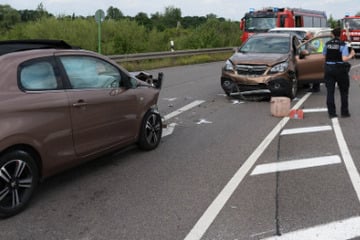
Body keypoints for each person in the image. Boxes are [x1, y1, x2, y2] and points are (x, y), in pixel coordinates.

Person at [322, 27, 356, 118]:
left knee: (330, 92)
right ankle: (344, 112)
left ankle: (332, 113)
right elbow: (344, 59)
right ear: (340, 35)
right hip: (340, 69)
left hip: (329, 68)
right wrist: (351, 55)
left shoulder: (327, 44)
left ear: (332, 34)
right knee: (344, 92)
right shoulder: (342, 44)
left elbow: (324, 55)